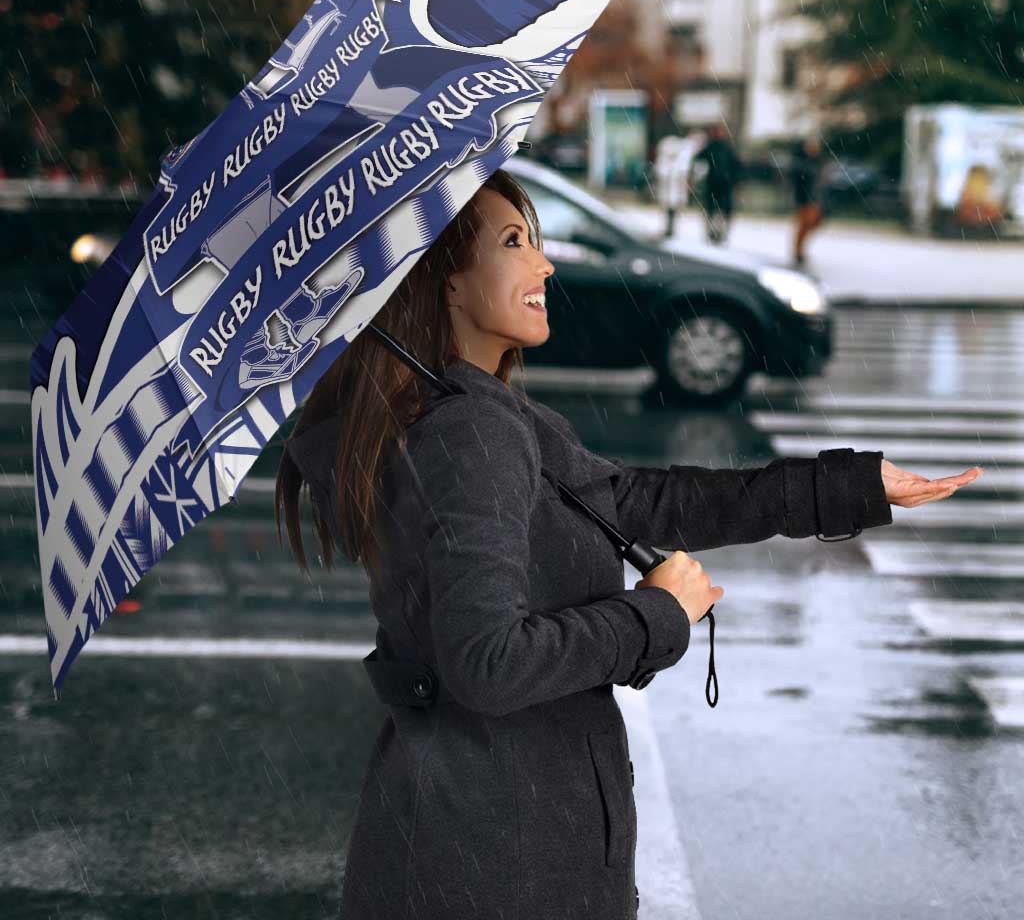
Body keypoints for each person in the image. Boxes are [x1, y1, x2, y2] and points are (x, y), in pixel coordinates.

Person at [276, 167, 982, 920]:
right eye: (514, 242)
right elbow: (488, 663)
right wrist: (655, 615)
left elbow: (640, 502)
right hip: (499, 858)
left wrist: (848, 486)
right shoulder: (471, 432)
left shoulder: (472, 414)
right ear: (446, 280)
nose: (544, 264)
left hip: (474, 837)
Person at [692, 122, 742, 245]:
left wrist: (735, 180)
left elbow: (736, 166)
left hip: (722, 185)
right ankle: (713, 233)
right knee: (714, 210)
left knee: (719, 211)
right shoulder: (714, 147)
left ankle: (719, 233)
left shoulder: (724, 148)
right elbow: (698, 159)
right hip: (716, 184)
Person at [790, 135, 826, 266]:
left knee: (812, 223)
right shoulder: (802, 163)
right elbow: (799, 182)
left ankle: (799, 250)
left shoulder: (816, 162)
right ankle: (798, 251)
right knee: (804, 225)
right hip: (805, 199)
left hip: (814, 199)